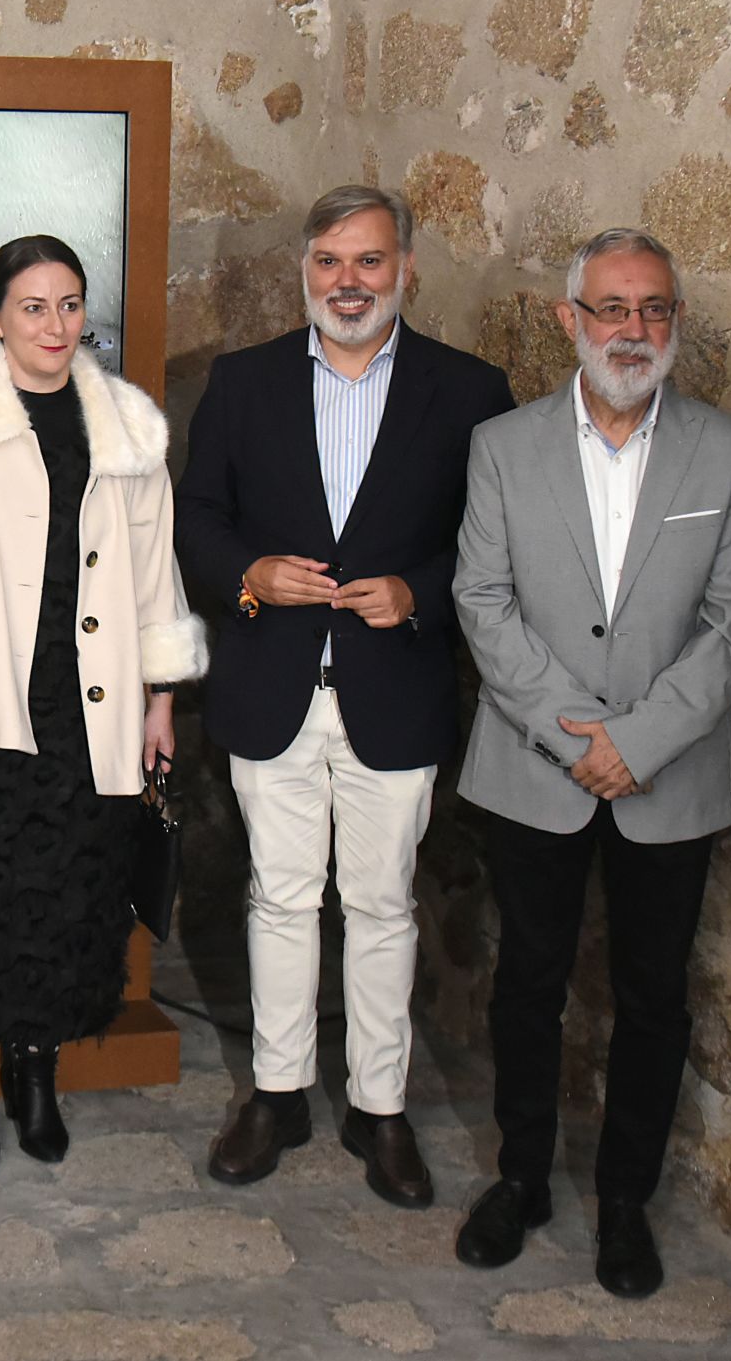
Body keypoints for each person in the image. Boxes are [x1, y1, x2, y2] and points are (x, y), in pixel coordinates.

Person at [175, 185, 514, 1209]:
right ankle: (277, 1096)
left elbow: (494, 547)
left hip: (393, 690)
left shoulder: (469, 391)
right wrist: (248, 578)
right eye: (330, 262)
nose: (349, 282)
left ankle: (380, 1107)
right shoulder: (244, 383)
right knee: (278, 897)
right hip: (271, 681)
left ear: (405, 269)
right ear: (306, 272)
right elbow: (196, 517)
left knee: (379, 904)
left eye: (369, 262)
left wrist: (419, 593)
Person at [452, 229, 731, 1298]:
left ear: (674, 321)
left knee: (652, 997)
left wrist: (633, 745)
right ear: (568, 319)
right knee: (527, 984)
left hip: (670, 775)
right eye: (613, 309)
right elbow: (482, 604)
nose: (634, 331)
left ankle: (626, 1203)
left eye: (654, 311)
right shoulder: (502, 447)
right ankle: (523, 1179)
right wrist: (574, 733)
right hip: (534, 767)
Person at [0, 234, 207, 1174]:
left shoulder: (126, 424)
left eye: (71, 303)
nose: (55, 324)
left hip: (94, 706)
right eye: (34, 306)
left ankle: (34, 1072)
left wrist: (162, 698)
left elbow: (157, 572)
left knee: (70, 892)